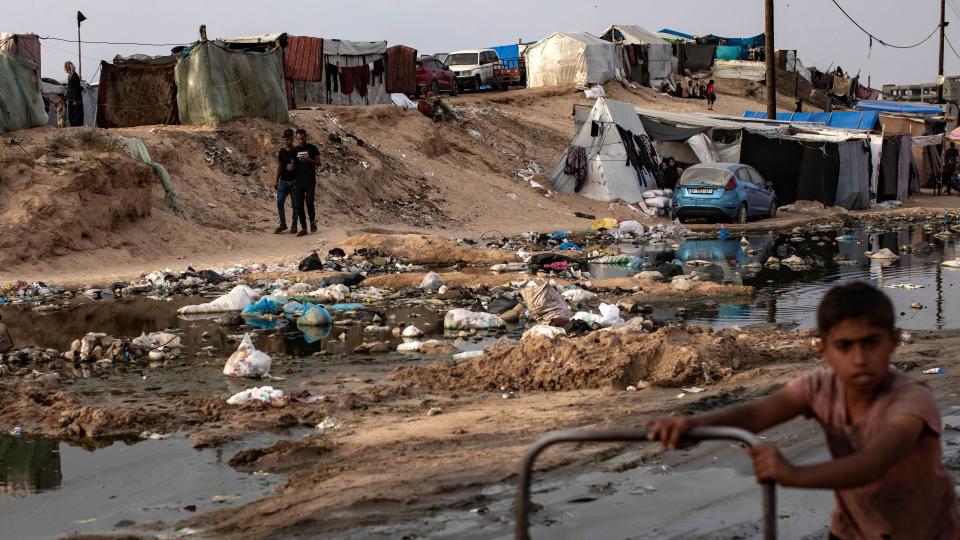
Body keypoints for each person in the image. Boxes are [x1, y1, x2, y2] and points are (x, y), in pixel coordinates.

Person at [647, 282, 960, 539]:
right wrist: (695, 426)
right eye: (845, 346)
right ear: (823, 350)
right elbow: (756, 415)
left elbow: (872, 463)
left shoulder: (911, 399)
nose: (860, 358)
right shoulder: (820, 388)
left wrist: (794, 474)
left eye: (871, 343)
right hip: (854, 528)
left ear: (893, 342)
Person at [290, 128, 321, 237]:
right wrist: (290, 167)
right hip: (298, 181)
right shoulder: (294, 150)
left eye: (302, 139)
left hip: (310, 181)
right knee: (299, 206)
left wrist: (309, 160)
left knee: (309, 203)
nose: (300, 141)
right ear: (296, 139)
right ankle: (303, 228)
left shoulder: (312, 148)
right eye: (298, 139)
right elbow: (292, 164)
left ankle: (312, 222)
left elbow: (319, 163)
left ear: (305, 137)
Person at [274, 129, 298, 234]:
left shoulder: (296, 151)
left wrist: (294, 167)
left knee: (295, 204)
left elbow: (302, 166)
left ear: (292, 139)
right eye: (285, 139)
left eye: (288, 139)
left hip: (294, 181)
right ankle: (283, 224)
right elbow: (279, 166)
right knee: (279, 202)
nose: (286, 141)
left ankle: (294, 225)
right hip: (283, 181)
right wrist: (276, 180)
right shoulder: (282, 152)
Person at [64, 61, 84, 128]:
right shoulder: (70, 76)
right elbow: (70, 89)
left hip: (75, 100)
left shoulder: (75, 76)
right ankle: (73, 127)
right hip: (71, 99)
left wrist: (75, 100)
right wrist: (66, 98)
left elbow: (76, 88)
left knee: (76, 115)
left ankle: (76, 128)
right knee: (71, 115)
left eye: (65, 68)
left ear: (68, 67)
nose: (64, 69)